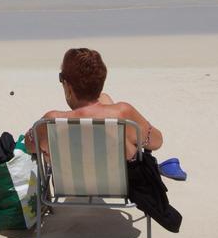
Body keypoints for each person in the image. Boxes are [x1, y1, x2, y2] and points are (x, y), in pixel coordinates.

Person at [24, 47, 162, 162]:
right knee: (107, 105)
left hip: (70, 185)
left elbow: (29, 145)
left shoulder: (51, 120)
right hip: (118, 186)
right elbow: (156, 141)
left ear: (68, 86)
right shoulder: (122, 113)